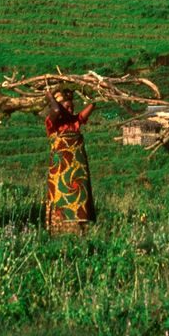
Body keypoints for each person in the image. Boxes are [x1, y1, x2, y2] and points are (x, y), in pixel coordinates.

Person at [44, 86, 95, 234]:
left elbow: (92, 105)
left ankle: (79, 231)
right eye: (67, 107)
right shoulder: (53, 123)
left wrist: (90, 91)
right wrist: (50, 96)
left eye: (72, 107)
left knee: (79, 201)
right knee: (60, 199)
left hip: (78, 173)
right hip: (60, 173)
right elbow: (56, 110)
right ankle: (60, 232)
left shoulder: (75, 122)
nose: (71, 110)